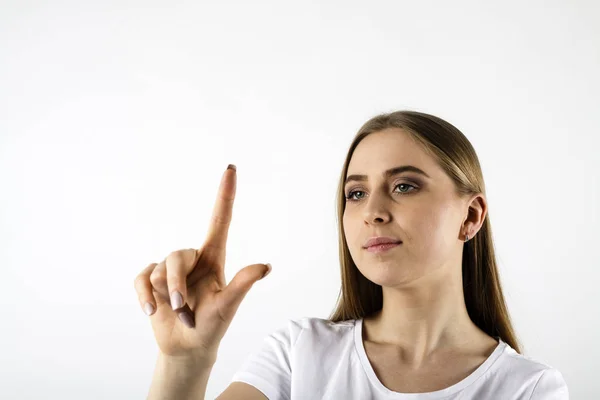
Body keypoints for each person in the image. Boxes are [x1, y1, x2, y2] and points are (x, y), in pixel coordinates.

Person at [134, 110, 569, 399]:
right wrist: (184, 362)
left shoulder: (528, 389)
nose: (373, 213)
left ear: (470, 216)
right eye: (356, 193)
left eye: (404, 186)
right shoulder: (298, 354)